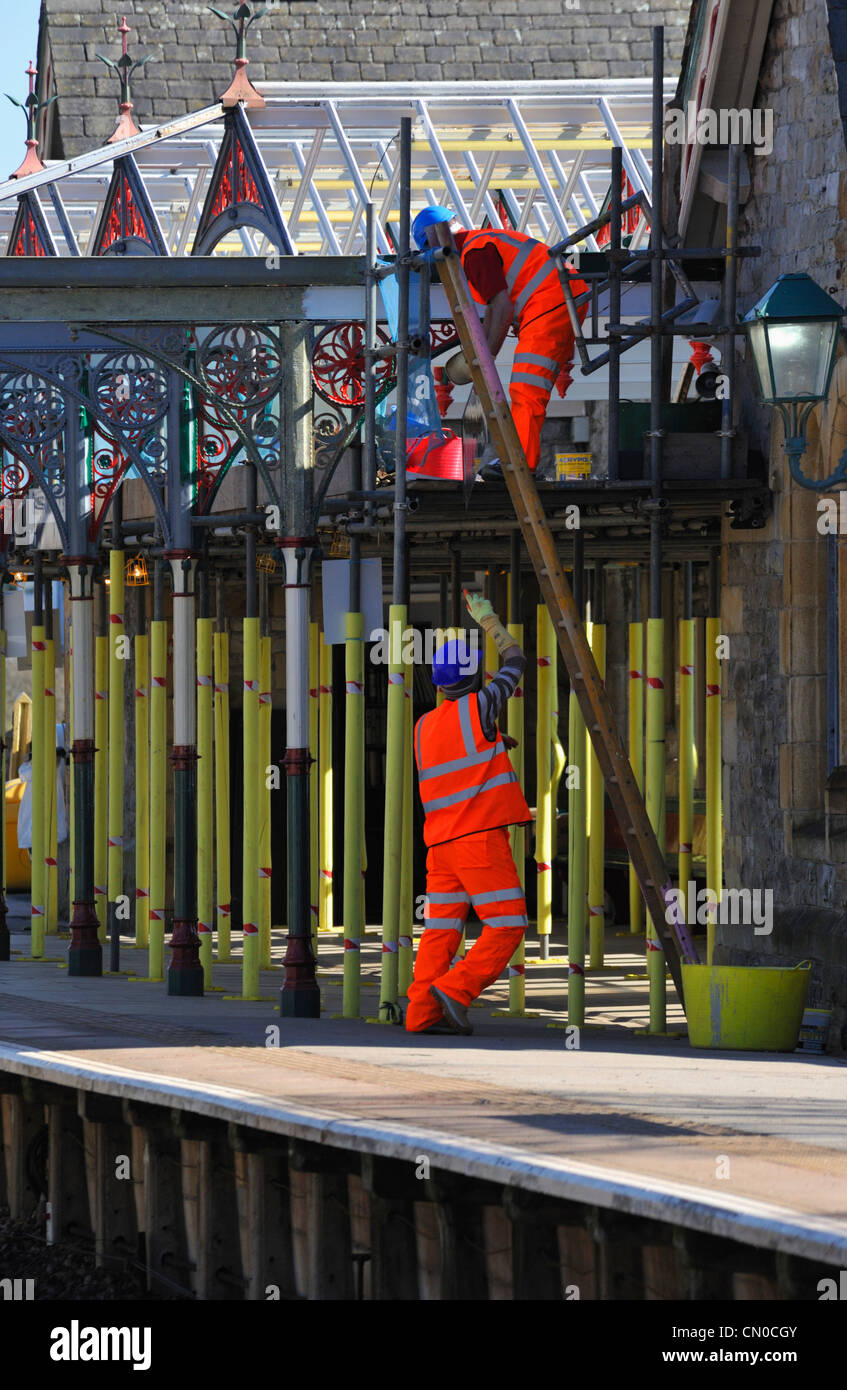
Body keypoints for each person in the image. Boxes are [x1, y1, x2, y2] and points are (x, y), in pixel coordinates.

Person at [406, 590, 532, 1035]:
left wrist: (497, 742)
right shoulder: (480, 707)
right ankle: (455, 990)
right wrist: (489, 620)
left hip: (440, 848)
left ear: (438, 684)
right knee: (507, 924)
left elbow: (458, 764)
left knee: (441, 931)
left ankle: (420, 1013)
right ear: (477, 678)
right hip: (478, 840)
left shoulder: (424, 726)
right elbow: (517, 663)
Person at [412, 205, 589, 477]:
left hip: (551, 302)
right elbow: (506, 303)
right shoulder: (480, 243)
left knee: (526, 390)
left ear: (434, 238)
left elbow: (501, 307)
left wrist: (486, 355)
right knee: (530, 390)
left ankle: (521, 466)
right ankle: (519, 463)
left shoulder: (474, 252)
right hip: (558, 297)